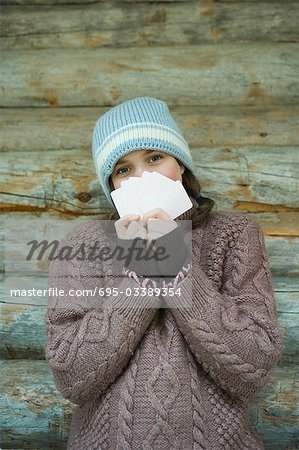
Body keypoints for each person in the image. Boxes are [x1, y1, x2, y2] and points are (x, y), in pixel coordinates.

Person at [45, 96, 283, 449]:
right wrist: (141, 276)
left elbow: (255, 364)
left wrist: (176, 265)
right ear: (112, 188)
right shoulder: (84, 242)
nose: (143, 176)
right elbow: (72, 376)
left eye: (155, 158)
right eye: (124, 170)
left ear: (181, 164)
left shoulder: (234, 233)